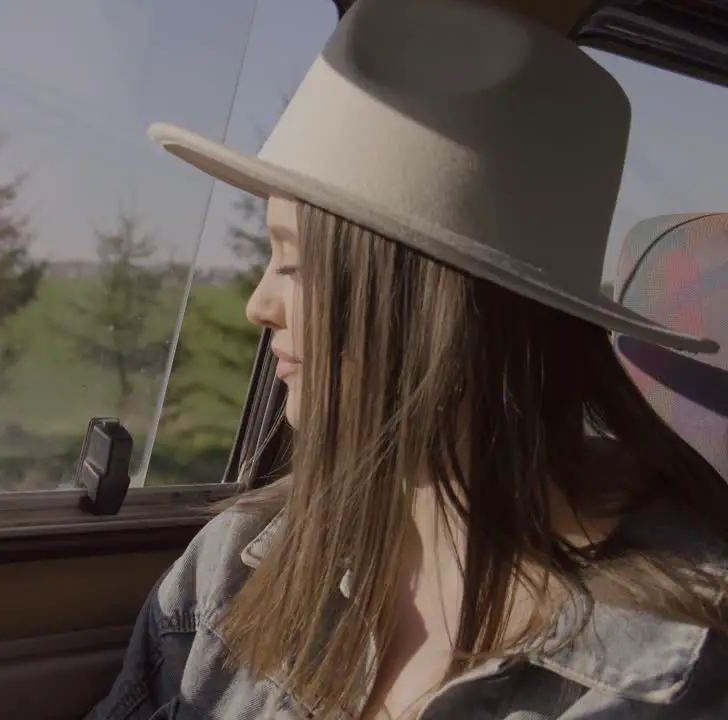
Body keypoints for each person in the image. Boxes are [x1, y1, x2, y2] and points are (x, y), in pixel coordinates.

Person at [85, 0, 728, 718]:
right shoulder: (239, 565)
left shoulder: (686, 672)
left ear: (439, 308)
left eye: (294, 265)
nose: (257, 305)